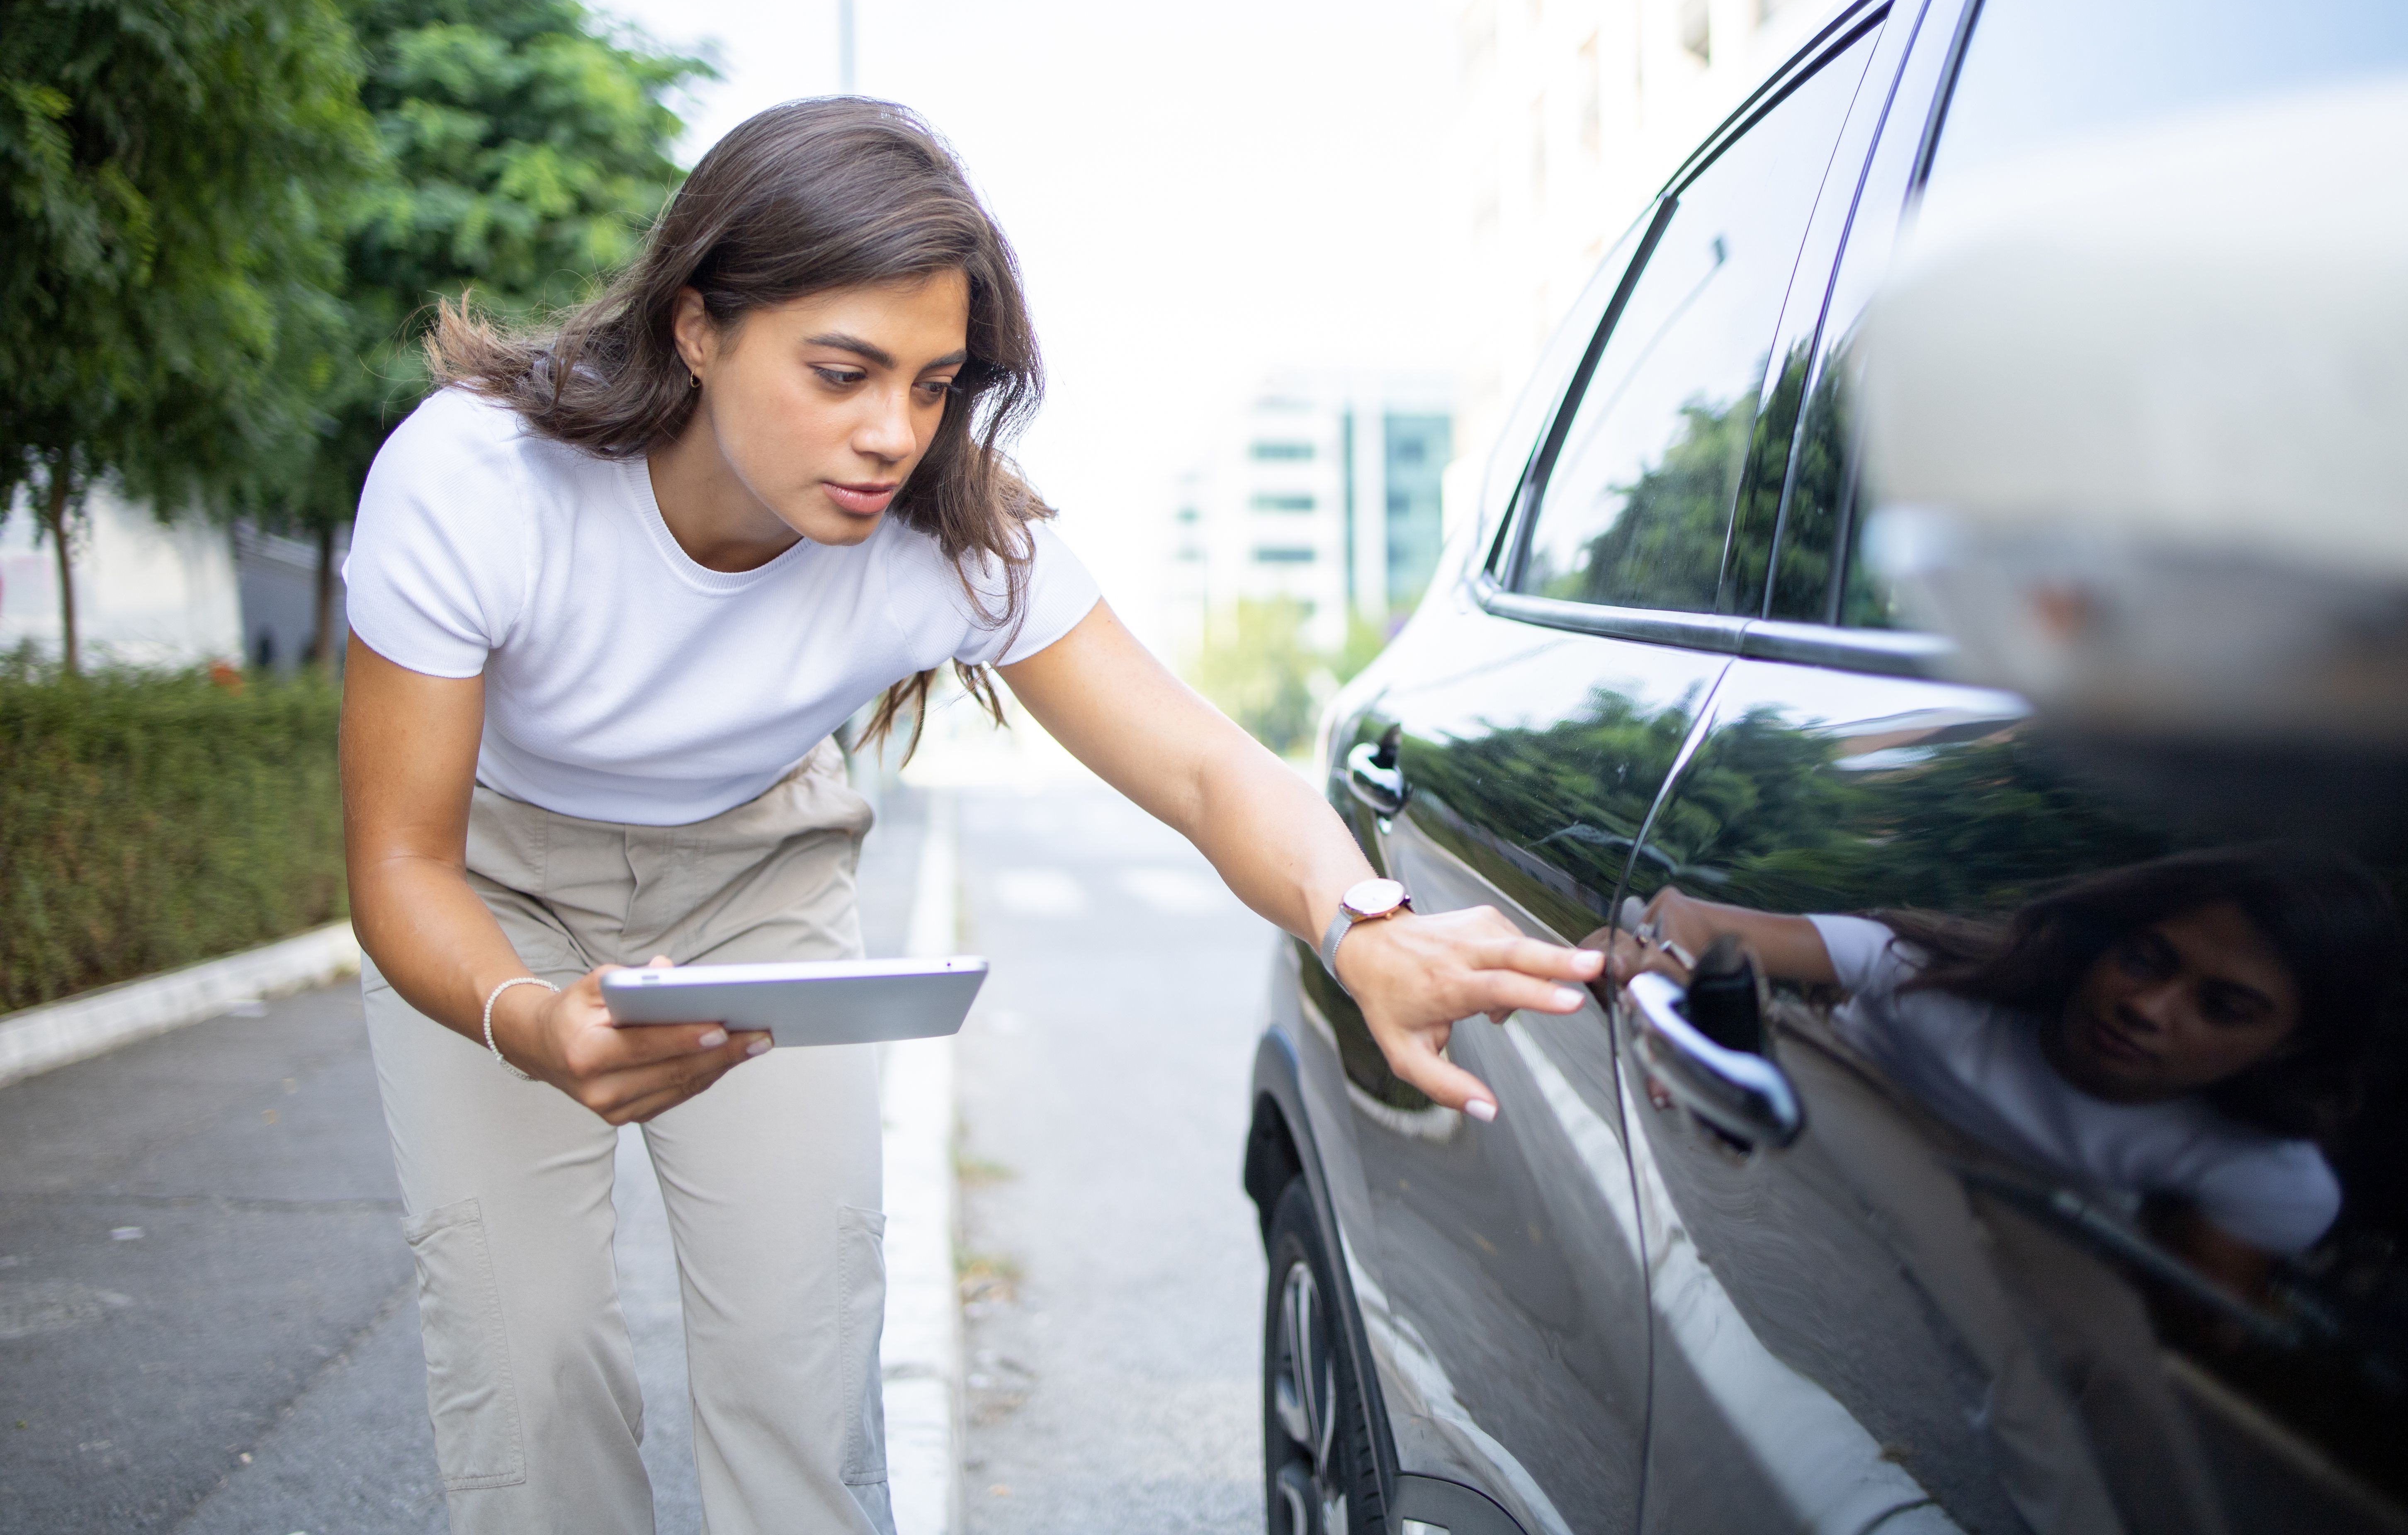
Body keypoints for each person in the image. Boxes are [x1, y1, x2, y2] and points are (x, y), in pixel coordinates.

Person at [338, 97, 1600, 1535]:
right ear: (697, 327)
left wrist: (1359, 922)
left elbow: (1200, 764)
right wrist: (523, 1019)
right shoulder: (477, 478)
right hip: (491, 883)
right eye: (842, 373)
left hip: (752, 875)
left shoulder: (951, 532)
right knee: (530, 1367)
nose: (892, 434)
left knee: (797, 1363)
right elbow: (399, 861)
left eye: (934, 384)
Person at [1623, 845, 2402, 1288]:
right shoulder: (1925, 975)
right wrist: (1657, 968)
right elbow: (1693, 924)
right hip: (1781, 1190)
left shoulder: (2266, 1177)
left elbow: (2179, 1342)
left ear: (2293, 1044)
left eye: (2223, 1008)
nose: (2149, 1008)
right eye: (2143, 960)